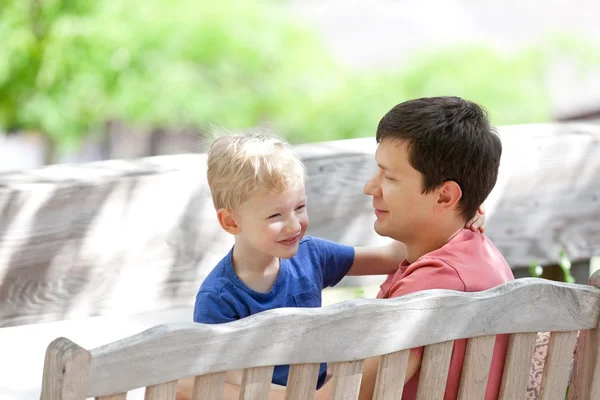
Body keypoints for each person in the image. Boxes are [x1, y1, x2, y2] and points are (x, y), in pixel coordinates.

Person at [191, 130, 486, 393]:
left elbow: (391, 257)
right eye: (275, 216)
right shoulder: (218, 299)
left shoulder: (312, 255)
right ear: (230, 222)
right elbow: (220, 384)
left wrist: (458, 215)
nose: (294, 225)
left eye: (299, 207)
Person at [348, 96, 515, 400]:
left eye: (390, 176)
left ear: (444, 196)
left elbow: (348, 394)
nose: (371, 188)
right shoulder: (473, 252)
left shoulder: (434, 285)